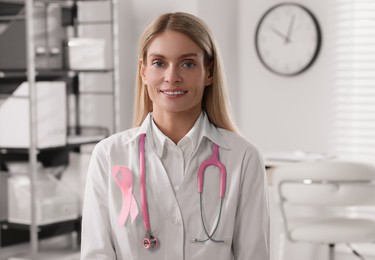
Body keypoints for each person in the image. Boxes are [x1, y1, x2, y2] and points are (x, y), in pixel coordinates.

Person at [81, 12, 270, 260]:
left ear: (209, 72)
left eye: (187, 63)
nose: (172, 76)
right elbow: (97, 254)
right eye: (159, 63)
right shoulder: (109, 155)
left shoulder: (243, 158)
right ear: (143, 71)